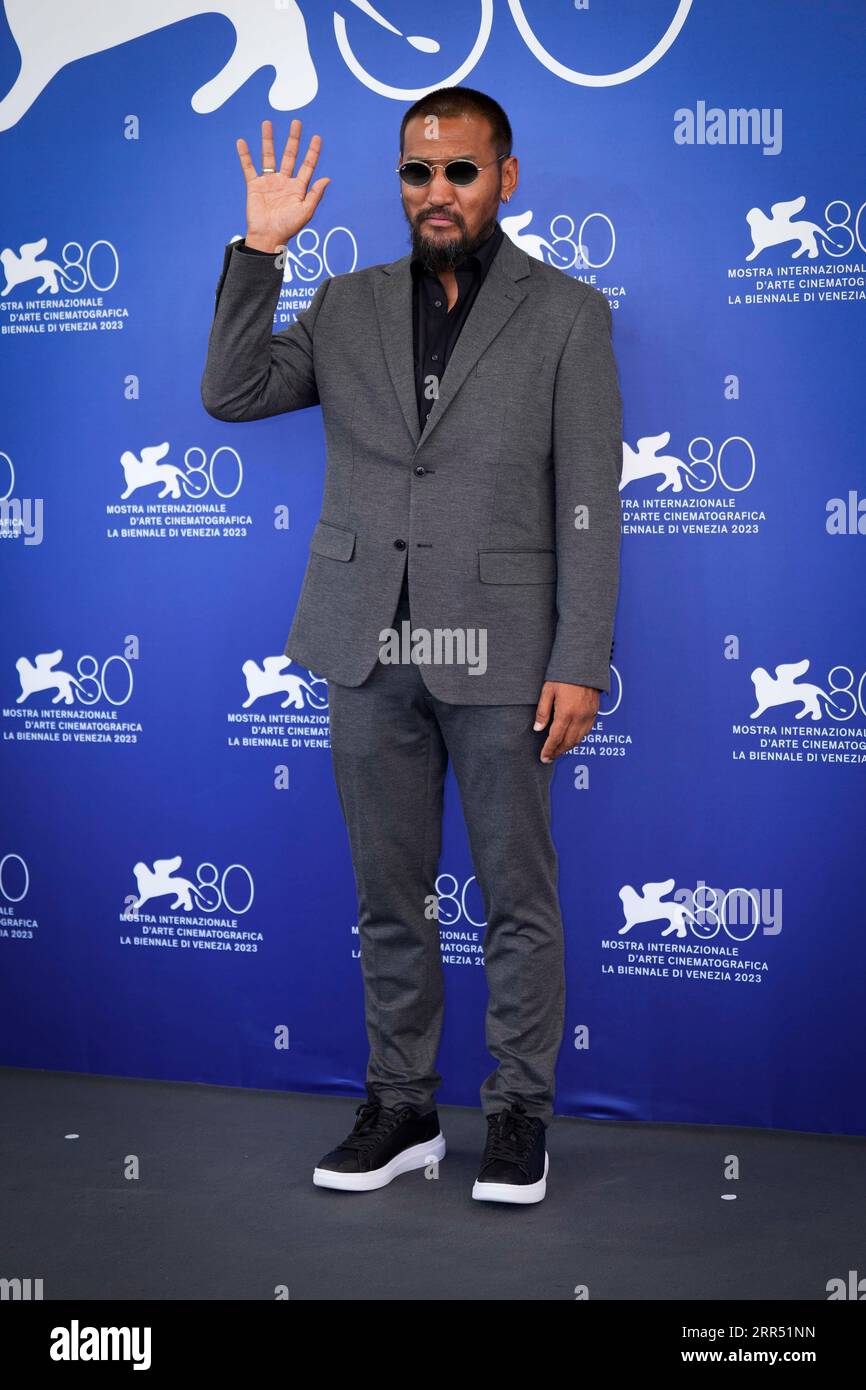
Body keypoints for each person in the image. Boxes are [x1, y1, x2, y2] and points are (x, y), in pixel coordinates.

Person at [201, 87, 623, 1206]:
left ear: (505, 177)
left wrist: (578, 653)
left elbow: (587, 502)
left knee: (515, 898)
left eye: (459, 171)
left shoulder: (568, 314)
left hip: (499, 653)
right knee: (388, 897)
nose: (435, 192)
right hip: (365, 647)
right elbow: (231, 392)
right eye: (415, 172)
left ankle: (518, 1116)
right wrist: (258, 249)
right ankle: (402, 1110)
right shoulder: (341, 303)